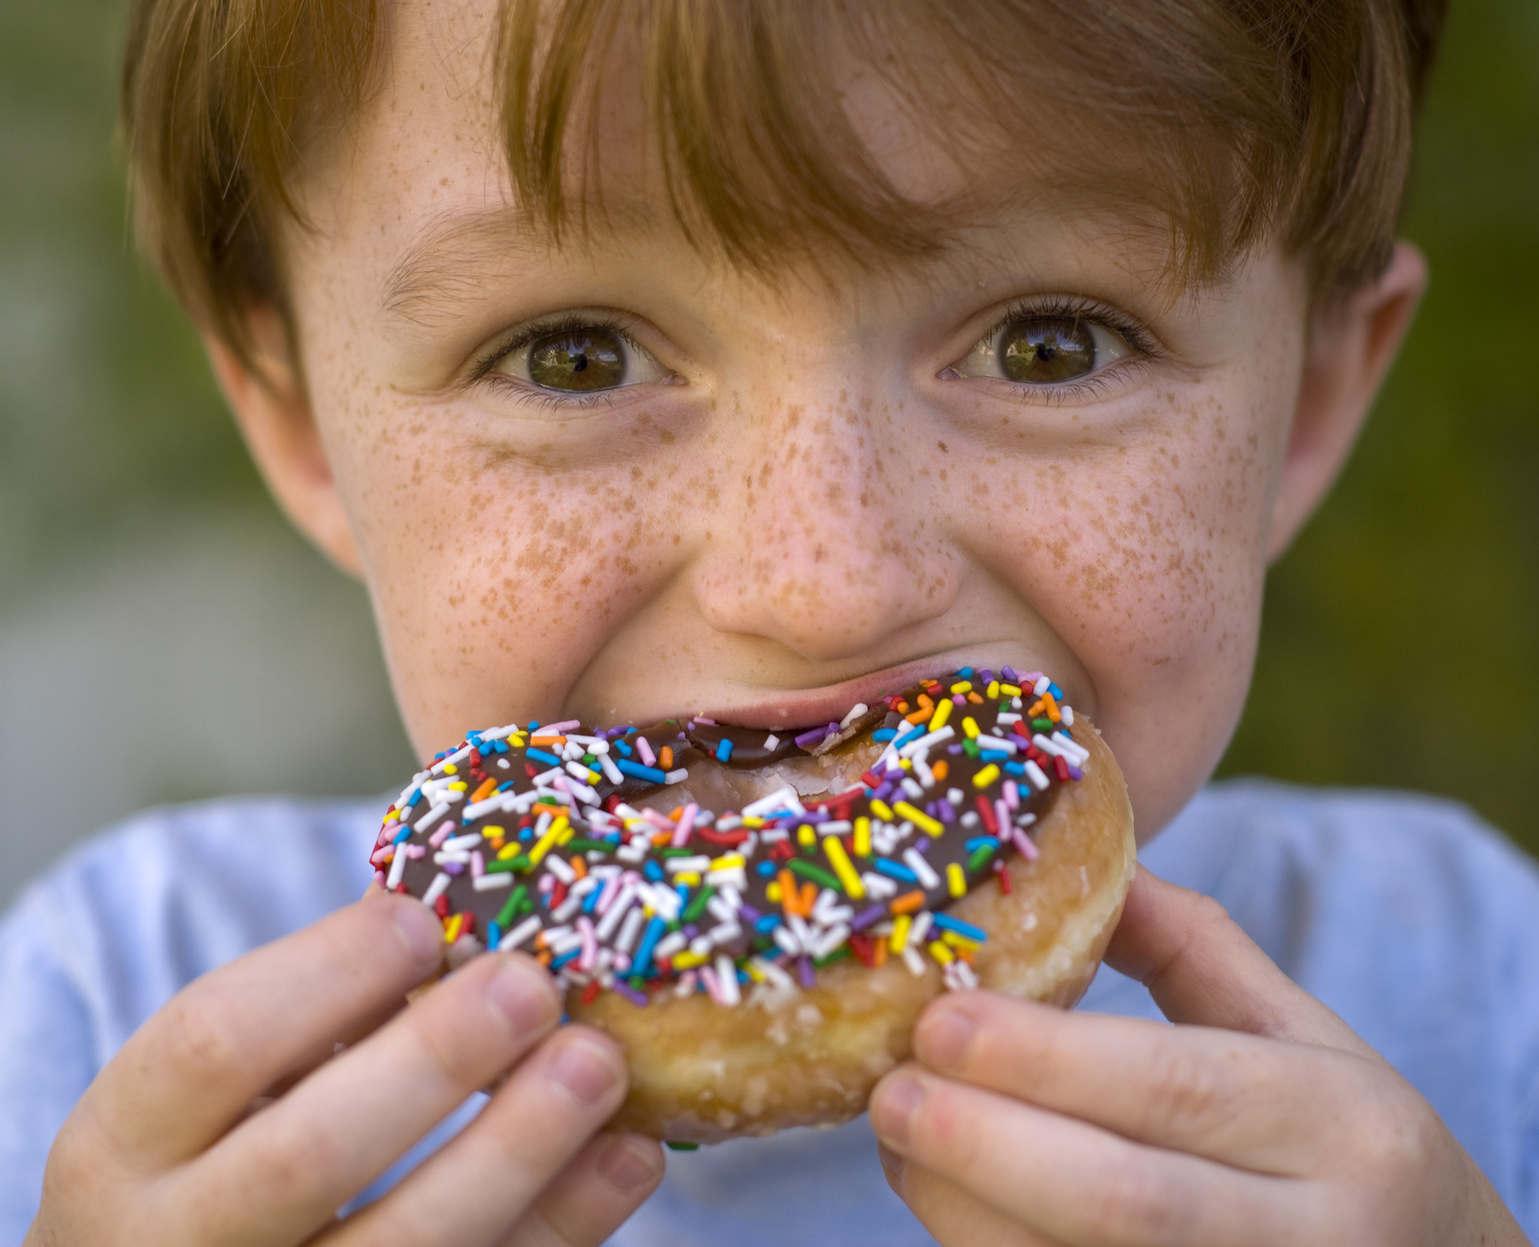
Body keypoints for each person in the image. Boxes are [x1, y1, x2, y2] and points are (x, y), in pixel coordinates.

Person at [6, 0, 1536, 1242]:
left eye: (1049, 344)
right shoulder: (113, 1025)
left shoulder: (1471, 1004)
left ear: (1312, 398)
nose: (825, 583)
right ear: (301, 429)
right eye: (575, 358)